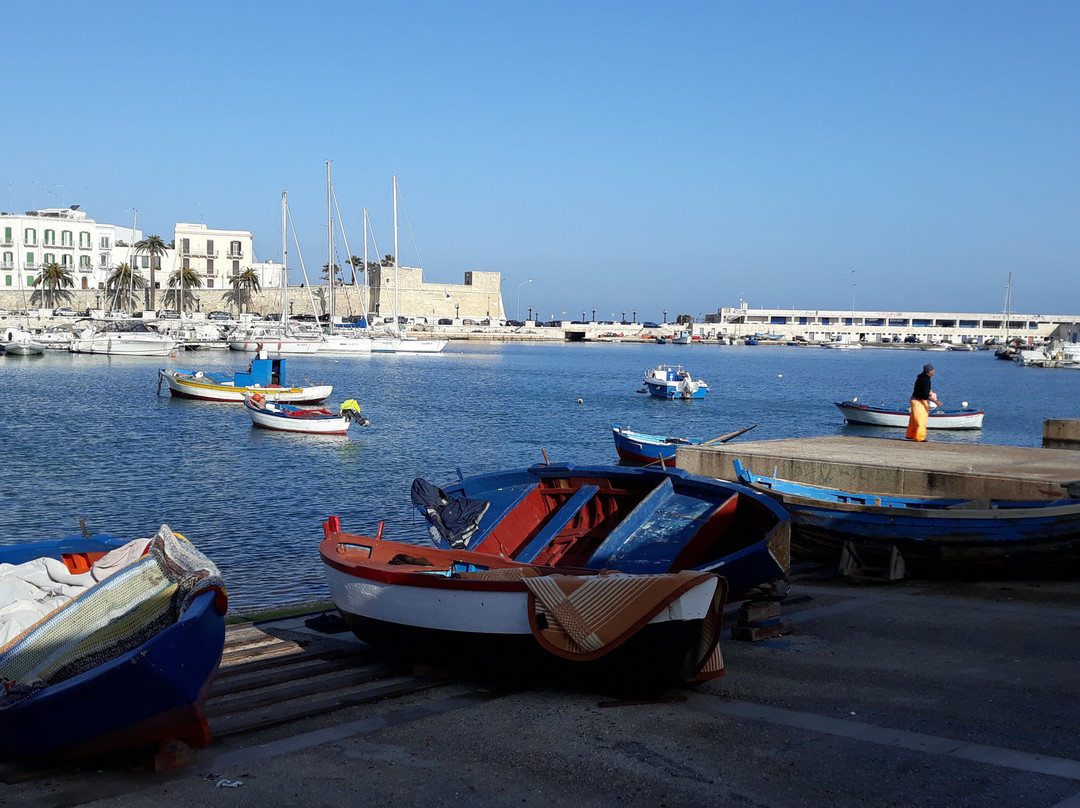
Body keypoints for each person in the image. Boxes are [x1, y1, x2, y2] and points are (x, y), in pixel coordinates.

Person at [906, 364, 940, 441]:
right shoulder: (926, 380)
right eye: (933, 370)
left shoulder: (920, 378)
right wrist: (936, 401)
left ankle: (910, 434)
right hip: (919, 401)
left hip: (914, 400)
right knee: (921, 420)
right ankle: (920, 437)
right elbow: (924, 394)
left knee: (914, 419)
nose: (934, 372)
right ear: (930, 371)